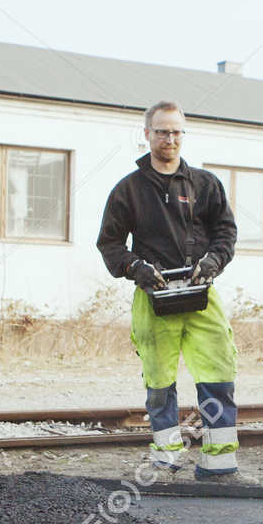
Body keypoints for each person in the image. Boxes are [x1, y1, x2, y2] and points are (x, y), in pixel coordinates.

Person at [97, 101, 241, 477]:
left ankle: (219, 460)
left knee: (218, 374)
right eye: (162, 131)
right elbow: (109, 244)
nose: (170, 138)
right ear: (147, 134)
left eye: (176, 131)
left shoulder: (205, 185)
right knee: (159, 382)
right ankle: (168, 456)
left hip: (200, 295)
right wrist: (135, 267)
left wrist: (213, 261)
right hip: (154, 297)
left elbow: (226, 232)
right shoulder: (129, 190)